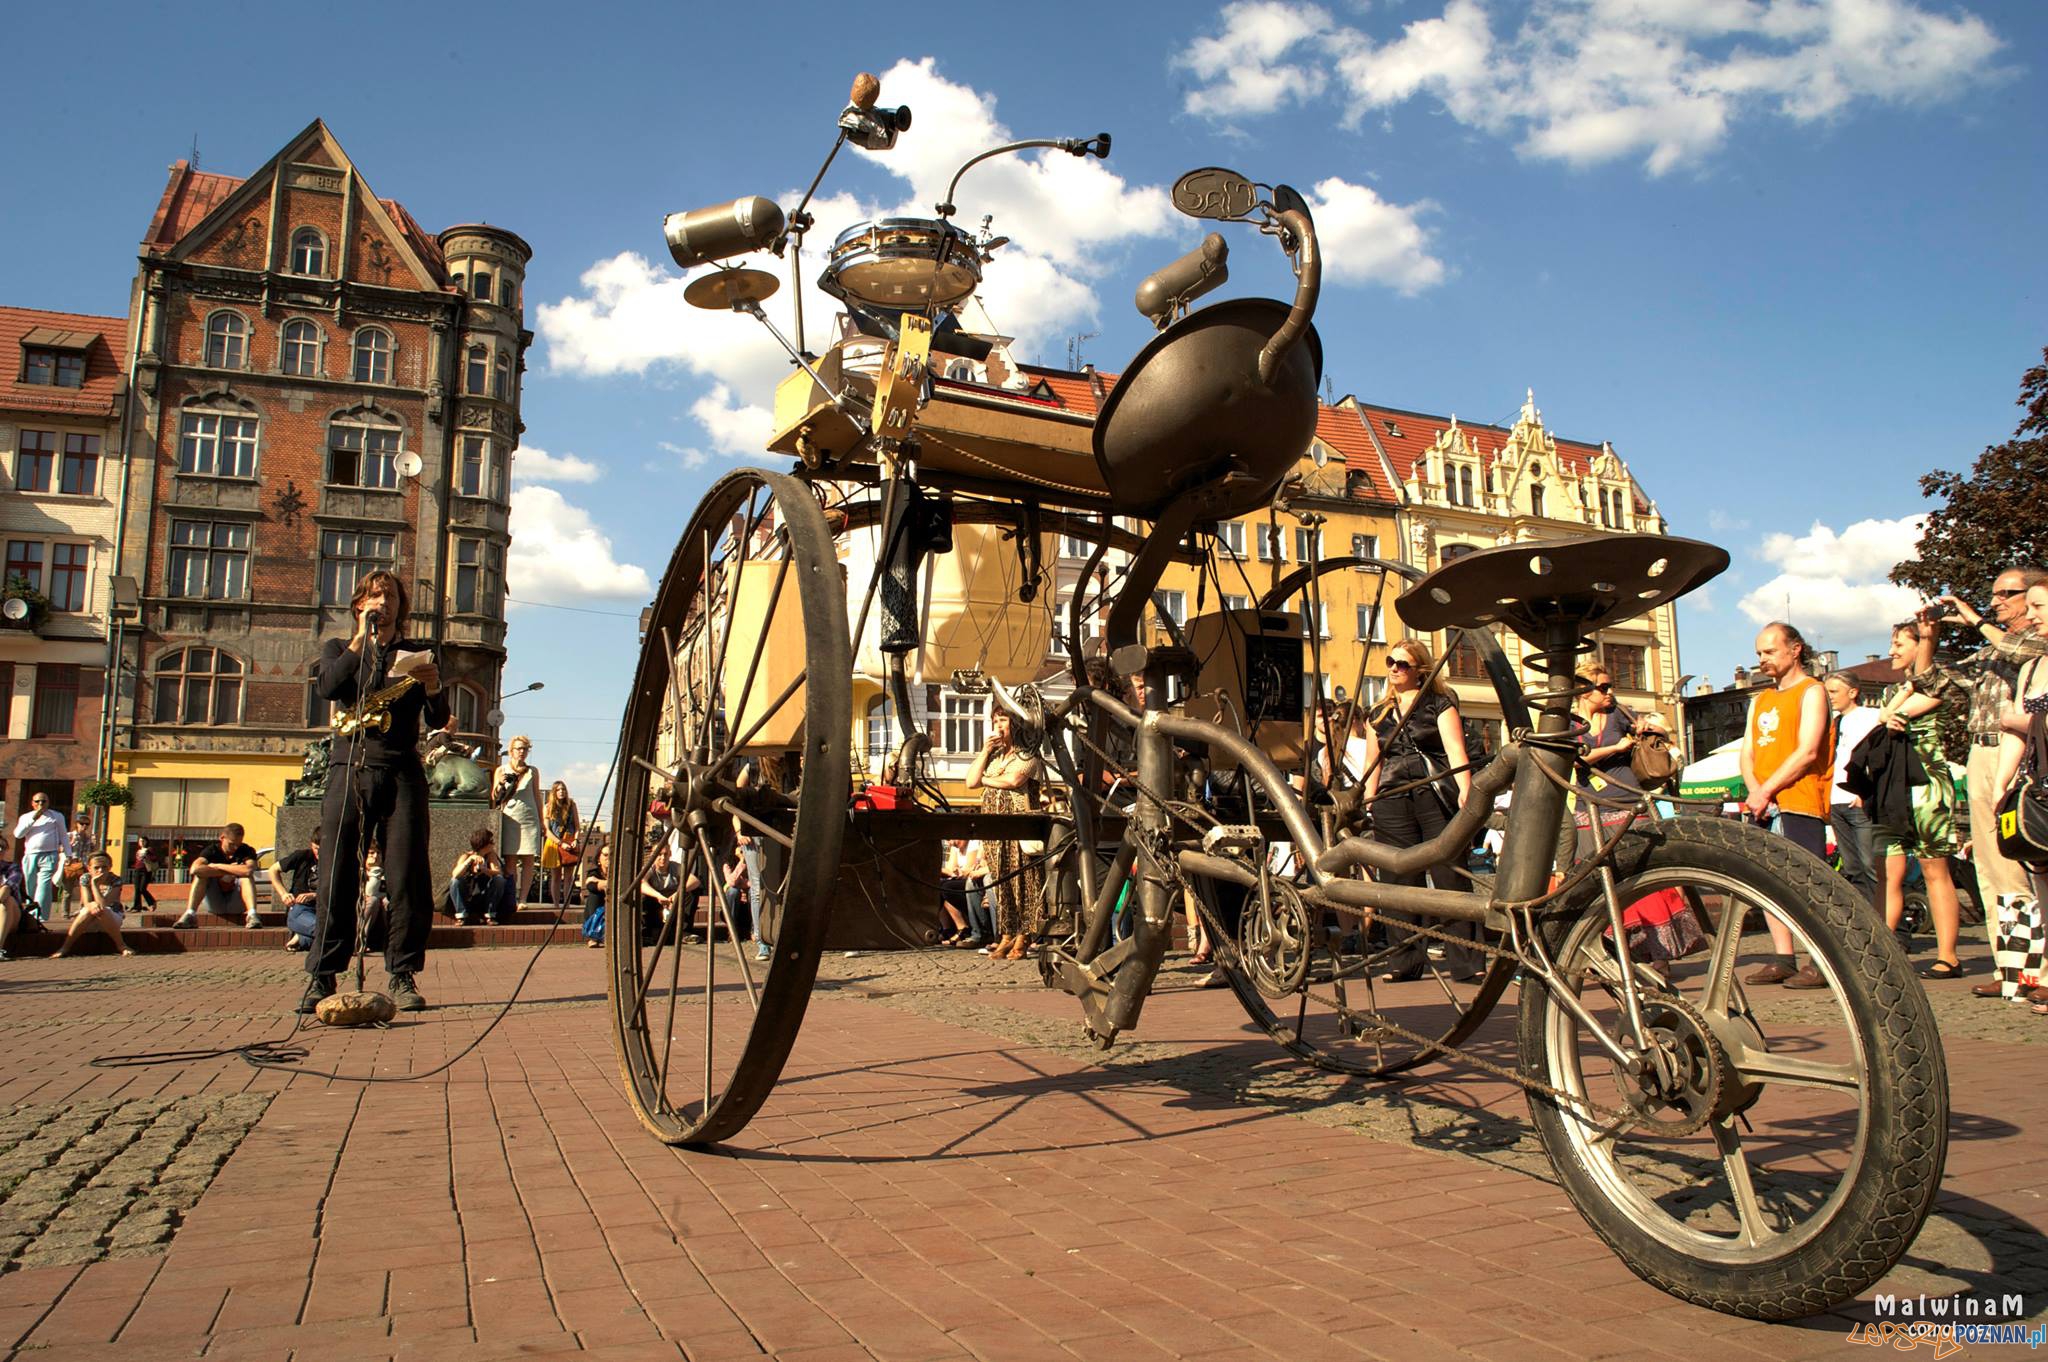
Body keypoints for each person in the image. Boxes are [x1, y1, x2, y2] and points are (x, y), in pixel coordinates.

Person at [302, 569, 447, 1015]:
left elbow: (438, 716)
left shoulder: (416, 652)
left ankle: (402, 973)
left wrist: (433, 685)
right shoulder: (338, 649)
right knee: (336, 874)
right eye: (372, 596)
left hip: (401, 769)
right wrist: (358, 643)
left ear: (401, 607)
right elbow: (329, 686)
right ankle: (322, 976)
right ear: (358, 605)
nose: (381, 603)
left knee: (407, 878)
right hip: (349, 769)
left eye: (389, 597)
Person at [1360, 638, 1482, 981]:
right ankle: (1404, 962)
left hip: (1432, 794)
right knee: (1398, 880)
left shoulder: (1439, 705)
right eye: (1390, 662)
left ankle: (1467, 962)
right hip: (1391, 799)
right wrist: (1368, 803)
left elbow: (1456, 752)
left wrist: (1466, 792)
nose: (1395, 669)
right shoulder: (1377, 714)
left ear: (1420, 670)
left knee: (1449, 874)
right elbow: (1374, 762)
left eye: (1403, 664)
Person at [1939, 566, 2048, 949]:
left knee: (2026, 857)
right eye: (1994, 594)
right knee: (1990, 865)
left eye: (2007, 594)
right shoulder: (1991, 648)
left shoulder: (2035, 644)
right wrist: (1926, 638)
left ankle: (2038, 962)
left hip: (2018, 751)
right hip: (1982, 752)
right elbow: (1936, 683)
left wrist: (1974, 619)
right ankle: (2013, 963)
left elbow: (2015, 649)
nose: (1996, 601)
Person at [1738, 622, 1836, 989]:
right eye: (1759, 653)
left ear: (1795, 649)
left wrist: (1768, 789)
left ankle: (1821, 960)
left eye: (1770, 651)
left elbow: (1808, 750)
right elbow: (1747, 752)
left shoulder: (1812, 691)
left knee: (1807, 883)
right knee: (1769, 882)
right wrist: (1756, 791)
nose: (1762, 659)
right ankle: (1783, 957)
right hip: (1763, 802)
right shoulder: (1760, 700)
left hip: (1799, 799)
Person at [1876, 616, 1969, 979]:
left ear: (1920, 645)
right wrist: (1890, 709)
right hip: (1895, 786)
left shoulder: (1939, 684)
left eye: (1899, 644)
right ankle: (1883, 953)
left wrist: (1890, 712)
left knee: (1935, 869)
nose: (1891, 651)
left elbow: (1904, 709)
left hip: (1928, 783)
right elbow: (1886, 714)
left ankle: (1948, 955)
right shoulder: (1890, 690)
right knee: (1888, 871)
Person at [1991, 582, 2048, 1009]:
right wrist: (2003, 783)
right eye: (2030, 607)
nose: (2032, 615)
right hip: (2039, 780)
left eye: (2040, 606)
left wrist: (2017, 716)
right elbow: (2014, 733)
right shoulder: (2031, 668)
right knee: (2041, 878)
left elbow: (2018, 720)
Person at [966, 708, 1044, 962]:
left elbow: (1014, 780)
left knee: (1022, 880)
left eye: (1003, 721)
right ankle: (1007, 933)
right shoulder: (995, 756)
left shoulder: (1029, 753)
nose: (998, 726)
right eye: (995, 721)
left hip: (1018, 826)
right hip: (994, 828)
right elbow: (970, 781)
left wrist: (986, 779)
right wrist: (985, 752)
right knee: (1001, 882)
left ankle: (1025, 933)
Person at [1824, 672, 1884, 909]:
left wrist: (1864, 793)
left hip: (1858, 801)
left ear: (1853, 692)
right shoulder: (1834, 722)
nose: (1830, 697)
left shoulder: (1871, 717)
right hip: (1836, 801)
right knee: (1852, 867)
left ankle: (1888, 923)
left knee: (1871, 865)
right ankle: (1867, 919)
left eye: (1834, 692)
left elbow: (1879, 758)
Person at [50, 853, 133, 958]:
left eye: (104, 867)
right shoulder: (85, 878)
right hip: (88, 919)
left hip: (111, 918)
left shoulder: (116, 880)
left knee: (102, 910)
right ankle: (65, 947)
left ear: (110, 867)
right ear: (89, 868)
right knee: (88, 910)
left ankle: (121, 946)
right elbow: (87, 902)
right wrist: (92, 904)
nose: (100, 870)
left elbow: (104, 904)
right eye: (96, 868)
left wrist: (94, 884)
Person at [179, 823, 262, 929]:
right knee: (200, 876)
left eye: (238, 844)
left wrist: (217, 866)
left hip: (237, 903)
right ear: (222, 838)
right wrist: (233, 870)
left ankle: (252, 915)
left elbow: (248, 870)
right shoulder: (212, 850)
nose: (235, 848)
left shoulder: (246, 850)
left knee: (246, 877)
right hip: (215, 901)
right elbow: (195, 869)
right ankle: (190, 914)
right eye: (231, 844)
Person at [492, 737, 543, 905]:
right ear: (511, 750)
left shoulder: (532, 771)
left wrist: (542, 821)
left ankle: (523, 899)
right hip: (510, 816)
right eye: (519, 748)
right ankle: (511, 897)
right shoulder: (501, 769)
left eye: (526, 749)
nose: (522, 752)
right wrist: (500, 783)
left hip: (529, 817)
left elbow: (537, 795)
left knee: (528, 860)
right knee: (511, 860)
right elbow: (494, 796)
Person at [12, 792, 66, 923]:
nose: (40, 804)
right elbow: (18, 834)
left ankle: (41, 915)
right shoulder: (26, 817)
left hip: (49, 854)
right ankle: (31, 911)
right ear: (32, 803)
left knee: (44, 884)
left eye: (43, 801)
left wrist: (68, 854)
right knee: (30, 884)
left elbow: (63, 835)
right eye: (37, 801)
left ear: (48, 802)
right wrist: (33, 819)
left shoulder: (56, 816)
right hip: (31, 854)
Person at [449, 827, 515, 926]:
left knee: (499, 880)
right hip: (468, 895)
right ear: (484, 844)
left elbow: (498, 872)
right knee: (455, 881)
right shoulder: (466, 856)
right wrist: (469, 861)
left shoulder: (490, 855)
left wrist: (484, 870)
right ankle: (461, 916)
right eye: (491, 841)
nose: (493, 844)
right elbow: (455, 874)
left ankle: (490, 914)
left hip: (485, 895)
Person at [269, 833, 322, 951]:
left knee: (326, 931)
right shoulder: (302, 856)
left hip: (323, 909)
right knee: (324, 929)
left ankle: (302, 939)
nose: (318, 853)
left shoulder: (334, 861)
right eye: (315, 848)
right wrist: (283, 894)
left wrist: (314, 895)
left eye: (322, 849)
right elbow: (273, 870)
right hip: (300, 908)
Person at [540, 780, 581, 909]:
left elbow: (577, 826)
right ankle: (556, 905)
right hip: (554, 843)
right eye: (558, 789)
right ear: (554, 792)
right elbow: (547, 831)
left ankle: (567, 904)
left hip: (569, 840)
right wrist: (560, 843)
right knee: (556, 876)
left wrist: (575, 839)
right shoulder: (547, 807)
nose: (561, 792)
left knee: (569, 876)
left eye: (563, 789)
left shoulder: (571, 805)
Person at [62, 816, 96, 915]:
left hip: (83, 865)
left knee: (85, 889)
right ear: (77, 824)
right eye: (82, 823)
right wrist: (69, 844)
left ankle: (82, 910)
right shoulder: (70, 835)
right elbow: (60, 848)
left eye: (87, 824)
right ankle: (65, 912)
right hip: (71, 865)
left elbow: (91, 852)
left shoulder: (88, 837)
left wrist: (93, 844)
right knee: (67, 890)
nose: (84, 826)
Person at [580, 845, 610, 949]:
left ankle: (606, 936)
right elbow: (591, 886)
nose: (608, 858)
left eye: (611, 855)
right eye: (605, 855)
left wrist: (601, 882)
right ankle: (593, 936)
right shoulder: (594, 872)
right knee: (594, 896)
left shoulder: (619, 872)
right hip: (599, 907)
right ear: (598, 858)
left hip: (613, 905)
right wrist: (607, 884)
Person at [129, 836, 158, 912]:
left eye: (143, 841)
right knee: (137, 889)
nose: (142, 842)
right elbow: (137, 861)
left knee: (142, 888)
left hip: (146, 871)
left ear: (146, 842)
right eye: (140, 841)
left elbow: (154, 858)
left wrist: (147, 855)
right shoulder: (138, 851)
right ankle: (136, 907)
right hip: (137, 870)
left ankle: (152, 902)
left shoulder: (149, 850)